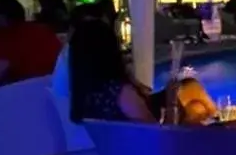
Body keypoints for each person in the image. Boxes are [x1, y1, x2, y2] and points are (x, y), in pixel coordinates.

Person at [68, 16, 216, 126]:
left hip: (125, 153)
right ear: (109, 51)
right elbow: (161, 139)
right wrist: (171, 102)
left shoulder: (84, 96)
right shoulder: (120, 93)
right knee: (230, 123)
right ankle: (214, 118)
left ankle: (212, 117)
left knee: (192, 91)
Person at [0, 0, 61, 89]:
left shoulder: (2, 37)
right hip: (54, 91)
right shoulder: (44, 30)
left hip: (22, 93)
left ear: (0, 17)